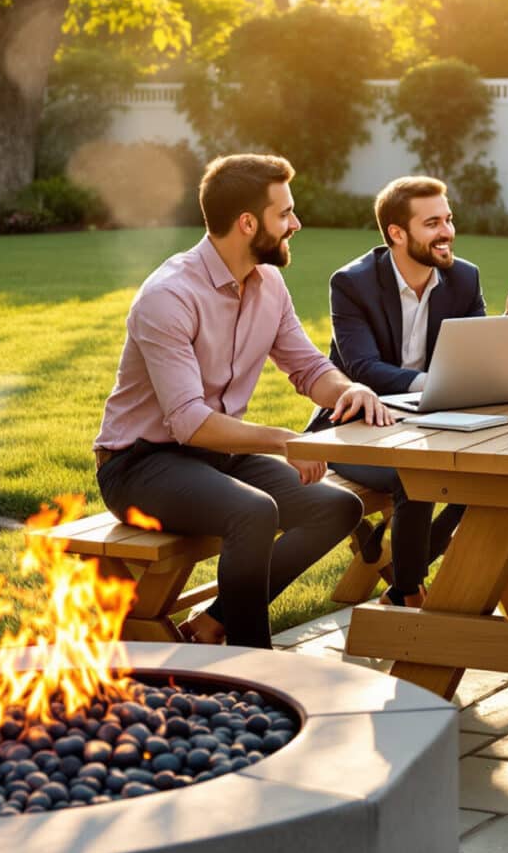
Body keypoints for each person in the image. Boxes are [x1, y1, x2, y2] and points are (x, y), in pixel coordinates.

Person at [93, 154, 395, 649]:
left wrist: (349, 390)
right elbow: (189, 421)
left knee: (337, 508)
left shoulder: (268, 284)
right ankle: (254, 660)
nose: (296, 224)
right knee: (252, 512)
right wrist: (288, 442)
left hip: (215, 455)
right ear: (247, 223)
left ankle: (217, 620)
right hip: (139, 465)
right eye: (286, 214)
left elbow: (308, 367)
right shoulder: (168, 296)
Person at [314, 176, 508, 607]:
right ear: (397, 233)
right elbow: (361, 368)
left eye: (448, 219)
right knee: (419, 476)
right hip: (353, 424)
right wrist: (434, 382)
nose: (446, 231)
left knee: (498, 469)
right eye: (432, 223)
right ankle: (410, 595)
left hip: (429, 421)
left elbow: (476, 359)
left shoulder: (463, 278)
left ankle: (400, 582)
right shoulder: (352, 283)